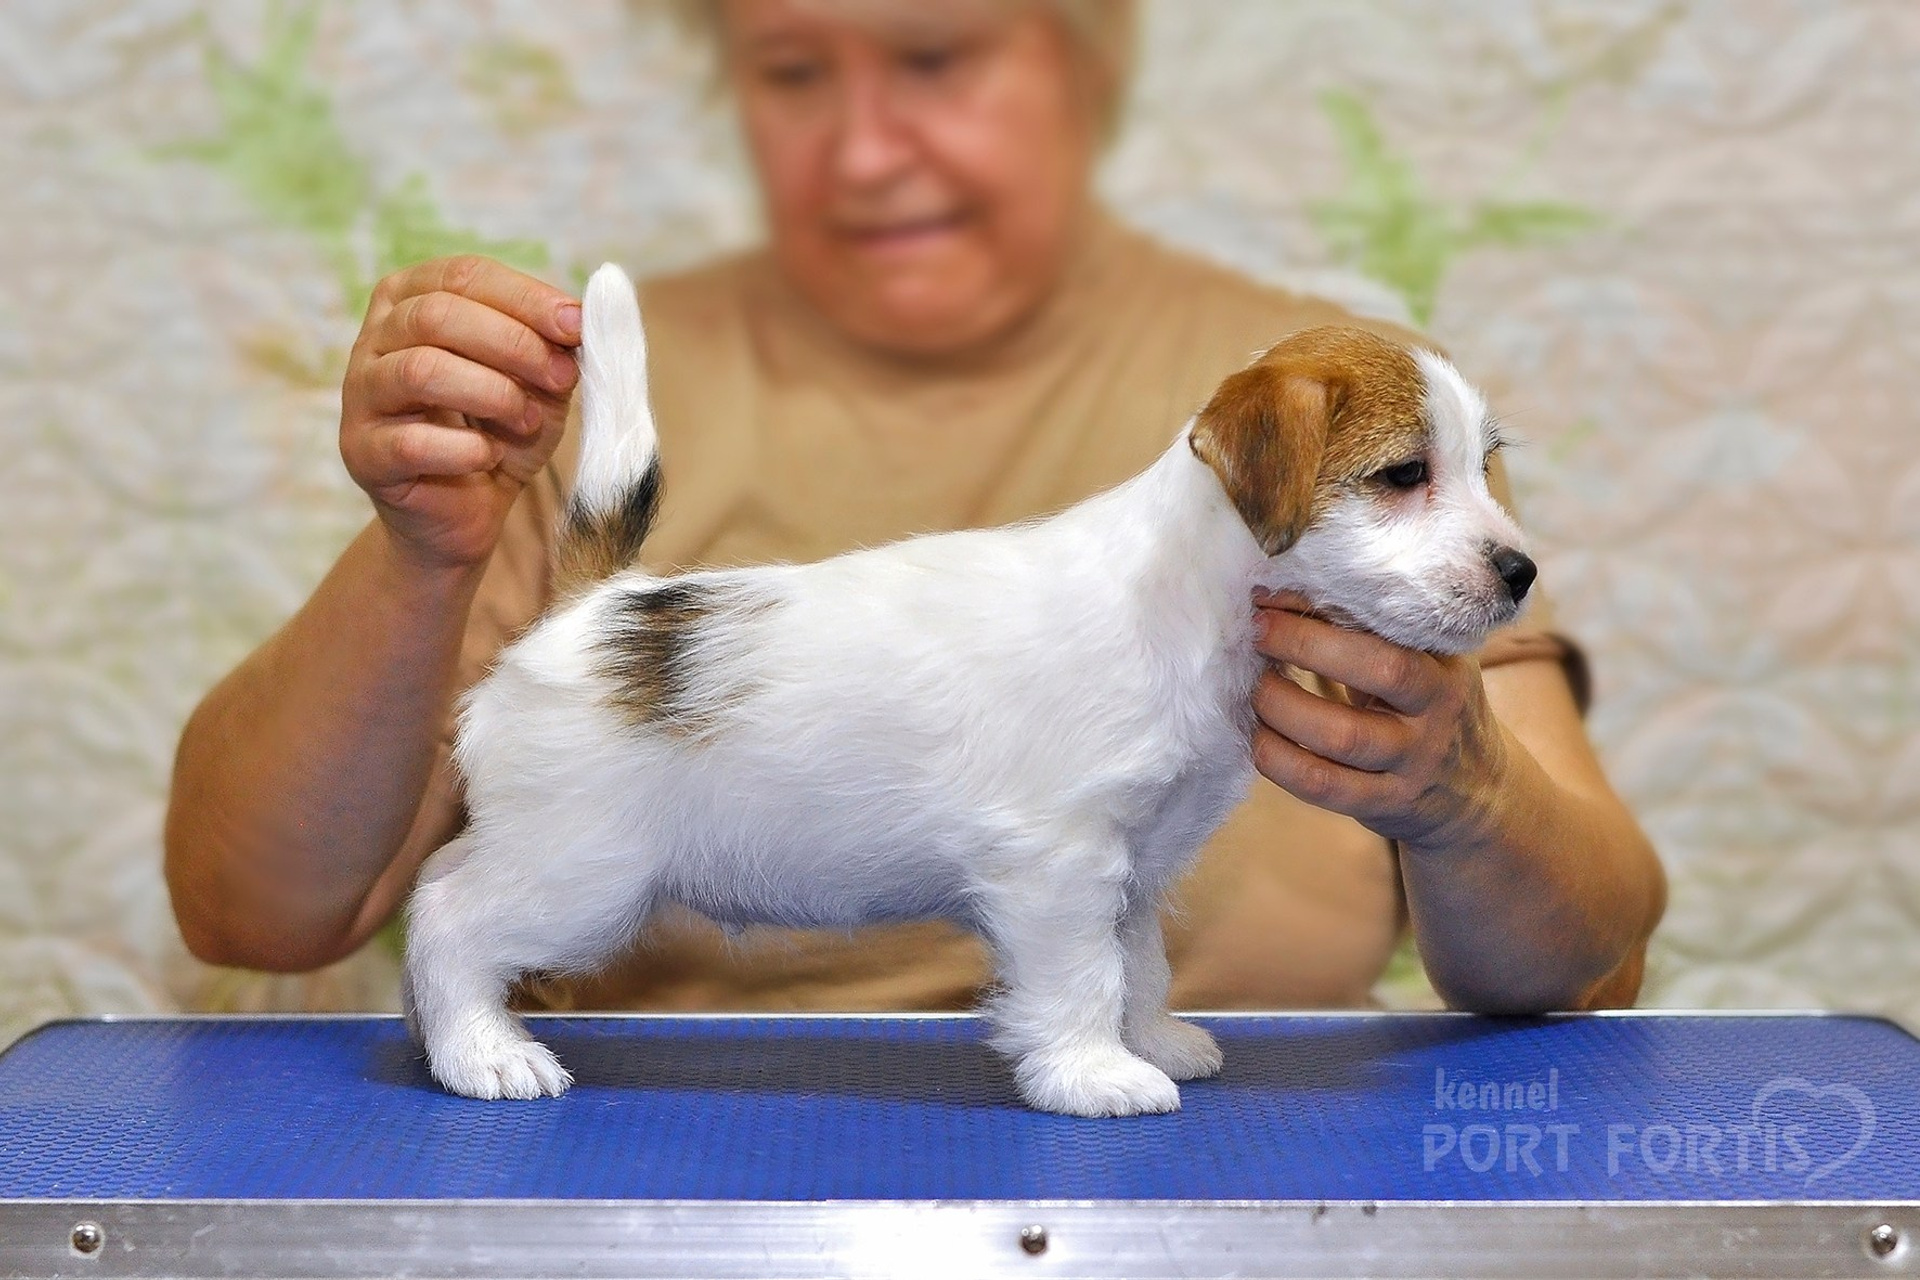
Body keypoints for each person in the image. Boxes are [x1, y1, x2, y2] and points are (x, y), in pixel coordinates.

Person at [164, 0, 1664, 1016]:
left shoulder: (1355, 401)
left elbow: (1595, 963)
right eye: (795, 71)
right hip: (667, 1180)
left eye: (936, 55)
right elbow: (255, 912)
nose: (867, 148)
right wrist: (424, 544)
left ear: (1087, 55)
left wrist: (1462, 794)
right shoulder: (556, 401)